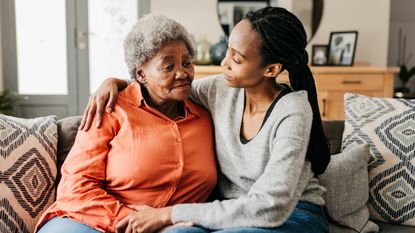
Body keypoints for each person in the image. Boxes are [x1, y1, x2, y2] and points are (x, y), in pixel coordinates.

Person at [82, 6, 331, 233]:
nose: (224, 62)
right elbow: (167, 85)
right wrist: (117, 83)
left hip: (294, 216)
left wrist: (169, 214)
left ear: (271, 69)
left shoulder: (293, 111)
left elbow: (271, 206)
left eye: (237, 58)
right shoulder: (221, 89)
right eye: (228, 49)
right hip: (231, 216)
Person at [35, 14, 217, 233]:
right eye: (168, 67)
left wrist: (163, 220)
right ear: (141, 74)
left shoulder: (206, 115)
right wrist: (135, 220)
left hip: (175, 227)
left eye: (187, 63)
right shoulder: (111, 108)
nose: (182, 73)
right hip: (89, 220)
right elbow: (76, 186)